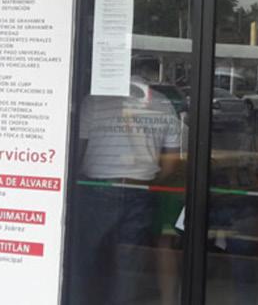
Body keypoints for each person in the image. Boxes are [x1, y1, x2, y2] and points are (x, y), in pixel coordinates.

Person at [72, 79, 183, 305]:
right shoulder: (162, 103)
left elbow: (76, 152)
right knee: (129, 265)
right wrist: (149, 181)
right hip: (140, 190)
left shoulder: (94, 100)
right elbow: (172, 162)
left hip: (98, 188)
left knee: (88, 258)